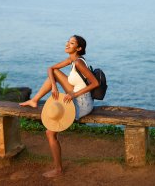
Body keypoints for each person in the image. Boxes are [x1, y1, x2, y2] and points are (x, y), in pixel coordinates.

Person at [20, 35, 99, 178]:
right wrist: (54, 87)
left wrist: (74, 95)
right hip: (74, 94)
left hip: (82, 103)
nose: (68, 44)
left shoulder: (79, 63)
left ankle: (58, 169)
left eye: (72, 43)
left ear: (79, 48)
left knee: (50, 133)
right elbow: (51, 68)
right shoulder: (72, 60)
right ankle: (35, 100)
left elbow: (95, 84)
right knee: (54, 73)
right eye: (68, 41)